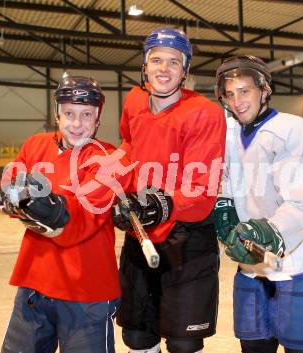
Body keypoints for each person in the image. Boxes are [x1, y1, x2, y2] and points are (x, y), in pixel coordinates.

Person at [0, 75, 132, 353]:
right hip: (34, 285)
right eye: (69, 113)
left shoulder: (111, 159)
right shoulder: (35, 145)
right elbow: (13, 180)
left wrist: (51, 209)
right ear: (57, 114)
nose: (76, 123)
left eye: (86, 115)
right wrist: (10, 196)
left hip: (87, 292)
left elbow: (84, 217)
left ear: (97, 120)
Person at [111, 28, 227, 353]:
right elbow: (128, 147)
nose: (164, 69)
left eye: (174, 62)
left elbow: (202, 190)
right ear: (144, 66)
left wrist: (161, 203)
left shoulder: (205, 113)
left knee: (183, 342)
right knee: (136, 336)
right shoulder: (134, 101)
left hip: (186, 239)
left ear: (185, 70)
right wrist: (117, 193)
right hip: (140, 235)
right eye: (156, 60)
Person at [213, 56, 303, 353]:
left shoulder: (293, 129)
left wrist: (268, 231)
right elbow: (230, 183)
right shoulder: (229, 136)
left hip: (300, 267)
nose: (237, 100)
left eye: (244, 91)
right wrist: (225, 208)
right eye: (230, 94)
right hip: (252, 269)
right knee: (253, 348)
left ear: (264, 90)